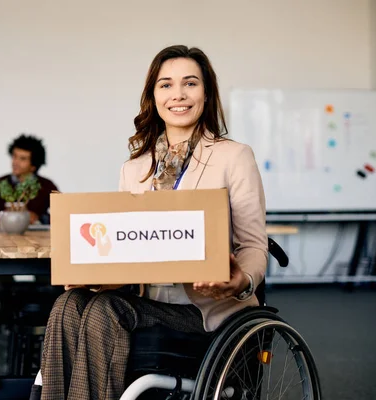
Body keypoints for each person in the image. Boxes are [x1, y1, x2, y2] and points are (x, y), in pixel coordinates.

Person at [34, 45, 267, 400]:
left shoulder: (234, 157)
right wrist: (97, 276)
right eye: (166, 85)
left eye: (190, 84)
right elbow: (128, 252)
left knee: (103, 312)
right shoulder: (135, 169)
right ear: (153, 95)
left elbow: (253, 245)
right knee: (69, 304)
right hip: (145, 302)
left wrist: (241, 281)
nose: (178, 95)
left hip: (202, 312)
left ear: (206, 93)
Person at [0, 134, 58, 225]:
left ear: (33, 166)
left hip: (37, 237)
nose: (15, 162)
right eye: (14, 156)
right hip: (4, 237)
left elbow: (63, 216)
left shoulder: (46, 186)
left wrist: (39, 219)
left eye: (22, 159)